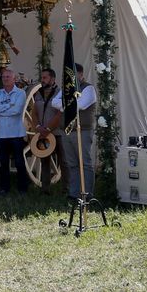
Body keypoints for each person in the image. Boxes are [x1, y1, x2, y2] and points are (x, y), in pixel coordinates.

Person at [50, 65, 96, 198]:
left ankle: (87, 194)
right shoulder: (65, 89)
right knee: (72, 163)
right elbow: (54, 102)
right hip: (67, 130)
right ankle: (74, 193)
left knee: (85, 163)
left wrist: (65, 104)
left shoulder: (89, 88)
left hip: (83, 131)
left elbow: (81, 106)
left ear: (81, 75)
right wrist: (71, 104)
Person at [0, 69, 30, 195]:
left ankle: (22, 188)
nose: (5, 79)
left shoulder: (20, 93)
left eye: (8, 77)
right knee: (3, 163)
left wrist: (0, 110)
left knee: (19, 162)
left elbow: (16, 111)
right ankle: (4, 188)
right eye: (3, 77)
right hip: (2, 134)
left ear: (14, 79)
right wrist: (8, 106)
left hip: (16, 133)